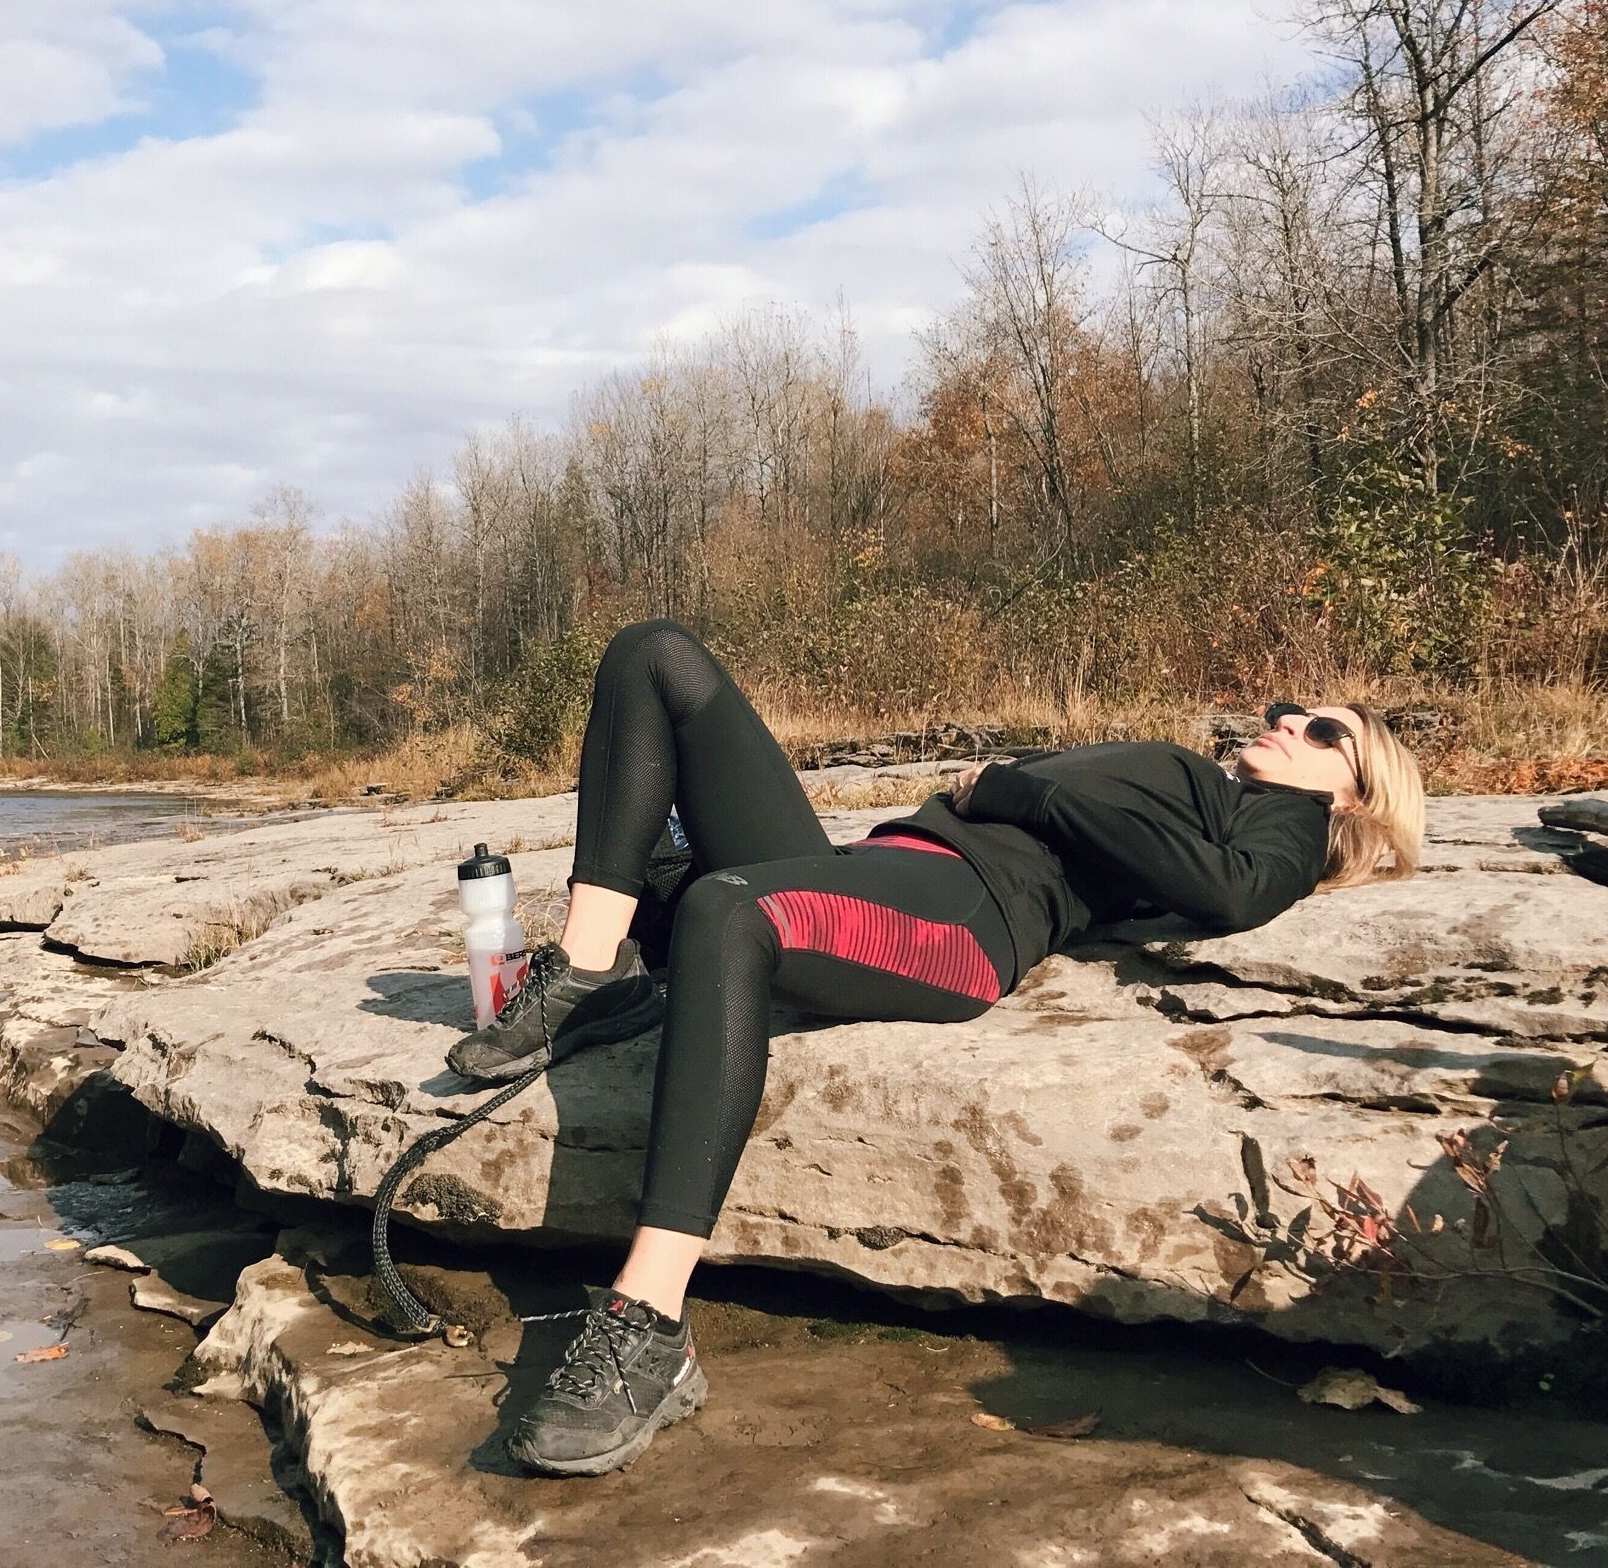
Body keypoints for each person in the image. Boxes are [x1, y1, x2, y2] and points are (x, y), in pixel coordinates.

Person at [444, 619, 1426, 1478]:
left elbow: (1235, 894)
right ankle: (587, 972)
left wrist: (1014, 790)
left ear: (1353, 791)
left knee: (723, 910)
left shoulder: (1286, 822)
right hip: (870, 867)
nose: (1290, 717)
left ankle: (647, 1324)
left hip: (962, 918)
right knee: (655, 655)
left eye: (1326, 729)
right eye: (1295, 704)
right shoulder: (1206, 784)